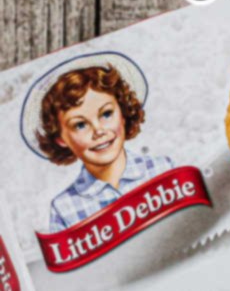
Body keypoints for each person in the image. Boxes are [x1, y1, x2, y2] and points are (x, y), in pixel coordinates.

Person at [35, 60, 174, 233]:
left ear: (123, 113)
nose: (98, 131)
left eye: (106, 114)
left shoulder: (162, 169)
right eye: (80, 125)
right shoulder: (64, 208)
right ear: (61, 139)